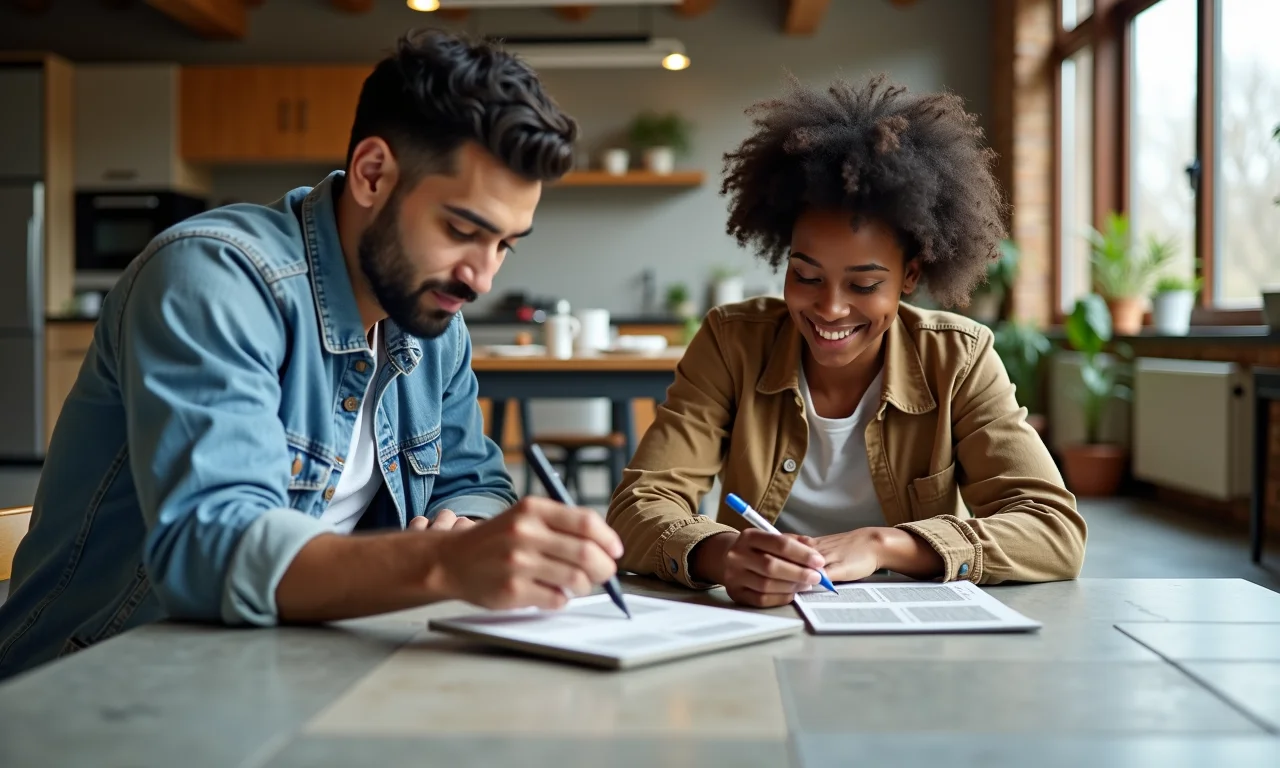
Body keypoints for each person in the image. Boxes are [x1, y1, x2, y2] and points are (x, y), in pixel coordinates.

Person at [0, 29, 624, 680]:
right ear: (373, 174)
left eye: (506, 245)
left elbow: (475, 481)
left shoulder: (432, 317)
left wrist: (466, 526)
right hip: (104, 683)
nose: (482, 278)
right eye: (462, 231)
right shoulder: (213, 278)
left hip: (288, 667)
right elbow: (210, 546)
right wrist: (443, 564)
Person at [606, 74, 1086, 608]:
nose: (830, 309)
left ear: (909, 277)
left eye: (863, 285)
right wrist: (724, 554)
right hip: (759, 623)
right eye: (806, 277)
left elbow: (1053, 531)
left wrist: (886, 544)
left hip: (907, 629)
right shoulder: (731, 341)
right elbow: (638, 505)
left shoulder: (959, 357)